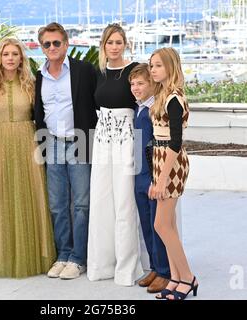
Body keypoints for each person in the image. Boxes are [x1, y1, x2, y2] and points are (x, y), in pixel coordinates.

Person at [0, 38, 56, 280]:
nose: (10, 58)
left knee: (33, 198)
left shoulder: (31, 83)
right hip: (0, 146)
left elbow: (43, 116)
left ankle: (41, 256)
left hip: (28, 145)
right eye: (6, 54)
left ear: (21, 58)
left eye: (14, 54)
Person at [34, 22, 97, 280]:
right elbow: (38, 112)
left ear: (66, 43)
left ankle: (79, 258)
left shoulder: (83, 70)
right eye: (46, 44)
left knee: (81, 204)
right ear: (42, 47)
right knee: (58, 205)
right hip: (52, 143)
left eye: (56, 43)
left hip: (79, 140)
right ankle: (63, 255)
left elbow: (100, 100)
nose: (52, 47)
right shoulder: (40, 76)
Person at [87, 23, 143, 286]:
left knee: (124, 202)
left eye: (119, 42)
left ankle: (126, 268)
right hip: (101, 137)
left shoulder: (134, 71)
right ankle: (101, 265)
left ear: (125, 44)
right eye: (110, 42)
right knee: (100, 201)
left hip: (126, 137)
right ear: (103, 45)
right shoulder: (98, 72)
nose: (114, 47)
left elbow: (146, 102)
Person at [148, 47, 198, 300]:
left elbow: (175, 143)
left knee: (161, 225)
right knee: (168, 225)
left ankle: (188, 277)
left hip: (172, 163)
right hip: (160, 160)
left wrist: (161, 179)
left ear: (170, 66)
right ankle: (176, 277)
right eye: (151, 65)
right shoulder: (162, 94)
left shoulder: (174, 98)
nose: (153, 69)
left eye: (157, 65)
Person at [129, 63, 171, 294]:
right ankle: (155, 267)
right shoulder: (139, 108)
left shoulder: (156, 108)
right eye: (133, 84)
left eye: (141, 83)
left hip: (152, 175)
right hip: (139, 174)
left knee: (158, 225)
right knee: (146, 223)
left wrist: (157, 179)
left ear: (152, 84)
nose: (135, 88)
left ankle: (165, 271)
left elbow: (159, 147)